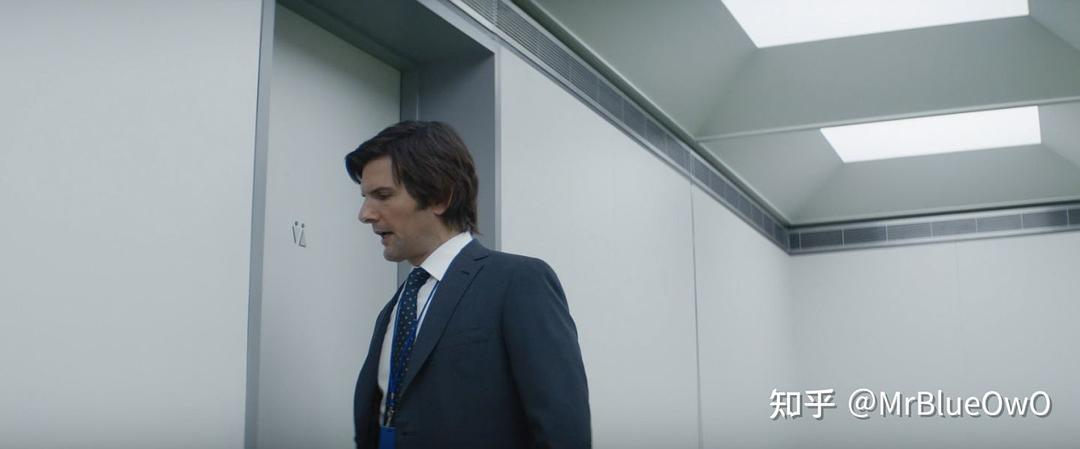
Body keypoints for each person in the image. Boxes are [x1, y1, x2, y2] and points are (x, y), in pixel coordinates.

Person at [344, 121, 591, 449]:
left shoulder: (518, 282)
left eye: (383, 195)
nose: (365, 214)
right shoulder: (397, 305)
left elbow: (563, 431)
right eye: (365, 197)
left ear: (440, 197)